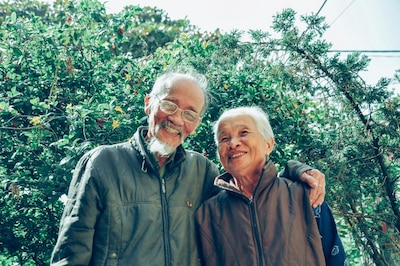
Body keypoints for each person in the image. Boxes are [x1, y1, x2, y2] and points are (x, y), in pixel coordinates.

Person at [50, 69, 326, 265]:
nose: (177, 119)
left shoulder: (203, 171)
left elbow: (253, 190)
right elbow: (70, 254)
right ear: (149, 104)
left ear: (196, 123)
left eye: (190, 113)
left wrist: (295, 171)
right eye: (169, 104)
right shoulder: (102, 163)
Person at [195, 106, 348, 266]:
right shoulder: (207, 214)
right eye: (224, 139)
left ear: (268, 144)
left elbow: (335, 257)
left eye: (244, 133)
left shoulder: (305, 196)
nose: (233, 143)